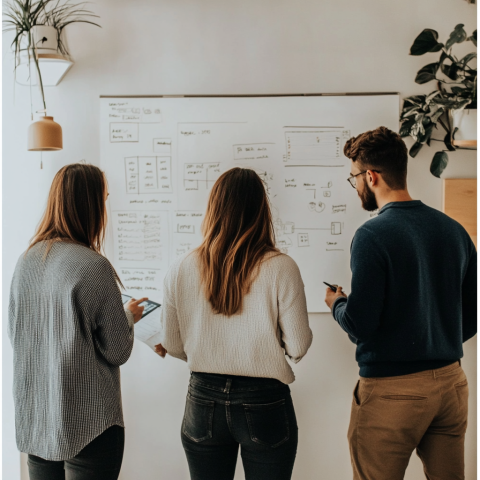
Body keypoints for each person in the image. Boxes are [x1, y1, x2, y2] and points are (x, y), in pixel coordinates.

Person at [324, 126, 477, 480]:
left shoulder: (372, 235)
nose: (356, 187)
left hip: (393, 390)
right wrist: (436, 339)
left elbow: (361, 325)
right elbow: (471, 315)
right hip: (451, 384)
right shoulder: (454, 231)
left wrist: (337, 303)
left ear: (371, 176)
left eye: (354, 179)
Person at [156, 167, 313, 480]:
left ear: (213, 209)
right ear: (261, 211)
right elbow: (298, 346)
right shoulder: (282, 267)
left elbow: (172, 344)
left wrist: (209, 351)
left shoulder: (181, 268)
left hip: (203, 398)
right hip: (264, 399)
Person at [8, 163, 147, 480]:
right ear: (91, 206)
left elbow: (17, 333)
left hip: (38, 422)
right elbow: (117, 351)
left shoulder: (26, 261)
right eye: (104, 199)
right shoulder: (94, 266)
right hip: (90, 426)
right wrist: (129, 315)